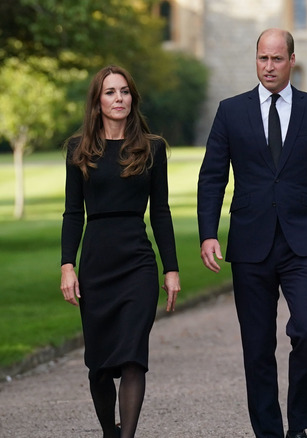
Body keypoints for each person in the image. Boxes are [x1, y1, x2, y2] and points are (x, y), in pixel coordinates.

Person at [197, 28, 307, 438]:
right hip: (250, 242)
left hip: (301, 242)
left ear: (292, 61)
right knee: (258, 346)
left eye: (277, 59)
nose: (269, 66)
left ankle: (298, 422)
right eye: (263, 59)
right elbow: (212, 177)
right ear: (256, 60)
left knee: (306, 329)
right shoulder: (231, 111)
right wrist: (207, 233)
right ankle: (268, 431)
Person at [60, 65, 180, 438]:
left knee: (132, 359)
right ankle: (109, 433)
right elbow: (72, 212)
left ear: (133, 98)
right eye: (110, 92)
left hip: (137, 264)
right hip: (96, 264)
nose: (119, 99)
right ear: (97, 101)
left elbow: (160, 211)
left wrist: (170, 268)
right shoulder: (78, 149)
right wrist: (67, 264)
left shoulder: (152, 148)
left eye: (124, 92)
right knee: (97, 366)